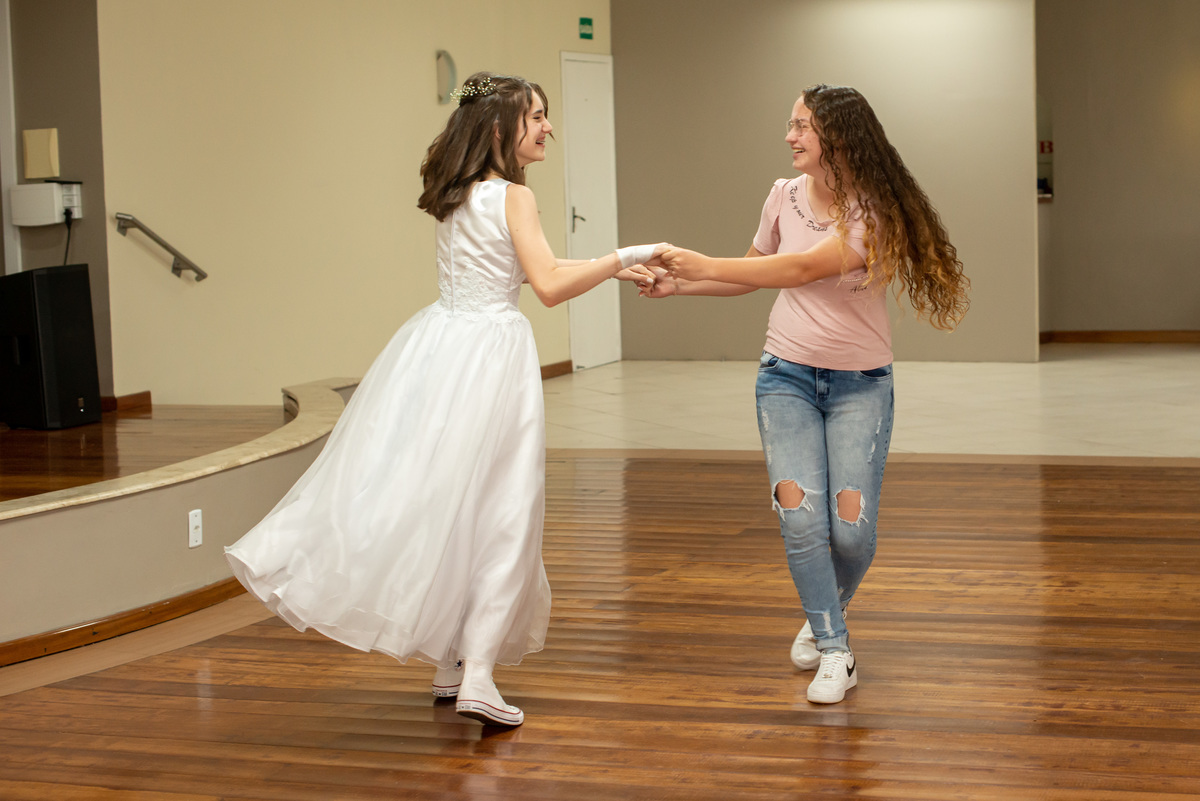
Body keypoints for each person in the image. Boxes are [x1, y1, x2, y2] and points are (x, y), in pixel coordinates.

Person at [226, 72, 664, 727]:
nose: (547, 127)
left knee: (451, 502)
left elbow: (531, 271)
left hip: (439, 350)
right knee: (502, 511)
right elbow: (546, 283)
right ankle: (479, 674)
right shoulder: (515, 197)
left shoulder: (457, 195)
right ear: (499, 129)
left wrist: (607, 266)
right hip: (491, 357)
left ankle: (452, 662)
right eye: (536, 116)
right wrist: (622, 255)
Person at [644, 84, 969, 704]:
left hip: (860, 388)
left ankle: (823, 612)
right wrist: (676, 287)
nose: (790, 136)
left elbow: (798, 270)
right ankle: (835, 649)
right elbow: (754, 273)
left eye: (801, 126)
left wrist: (698, 263)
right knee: (799, 522)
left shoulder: (877, 208)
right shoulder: (783, 196)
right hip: (784, 378)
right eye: (790, 125)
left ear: (838, 137)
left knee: (850, 534)